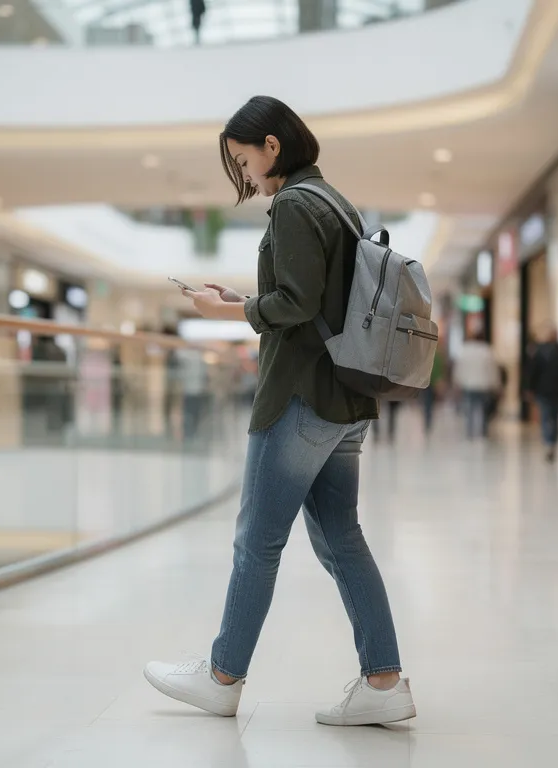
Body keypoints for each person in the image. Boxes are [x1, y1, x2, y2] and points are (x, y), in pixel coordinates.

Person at [144, 96, 414, 727]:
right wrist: (243, 298)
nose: (245, 176)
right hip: (343, 396)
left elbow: (293, 303)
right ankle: (384, 680)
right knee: (342, 540)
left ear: (272, 145)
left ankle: (222, 676)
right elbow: (311, 297)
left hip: (299, 397)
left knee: (256, 543)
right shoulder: (334, 201)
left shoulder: (294, 203)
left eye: (244, 161)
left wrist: (232, 311)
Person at [523, 325, 558, 462]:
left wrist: (529, 388)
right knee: (550, 416)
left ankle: (550, 442)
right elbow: (533, 372)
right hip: (550, 391)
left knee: (550, 417)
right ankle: (550, 442)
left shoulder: (549, 352)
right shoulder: (556, 352)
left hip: (552, 391)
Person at [452, 330, 499, 440]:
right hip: (483, 385)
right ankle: (483, 431)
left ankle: (470, 431)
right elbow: (492, 370)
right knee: (483, 408)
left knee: (469, 408)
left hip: (468, 384)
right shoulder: (487, 351)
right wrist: (496, 384)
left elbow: (459, 368)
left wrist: (457, 381)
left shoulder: (465, 350)